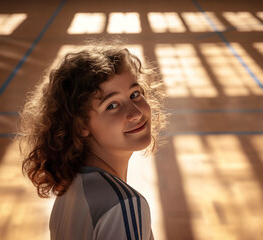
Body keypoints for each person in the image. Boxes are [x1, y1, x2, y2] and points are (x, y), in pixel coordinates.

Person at [18, 40, 167, 240]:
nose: (136, 112)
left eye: (135, 94)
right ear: (81, 126)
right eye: (112, 105)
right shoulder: (124, 204)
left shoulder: (70, 190)